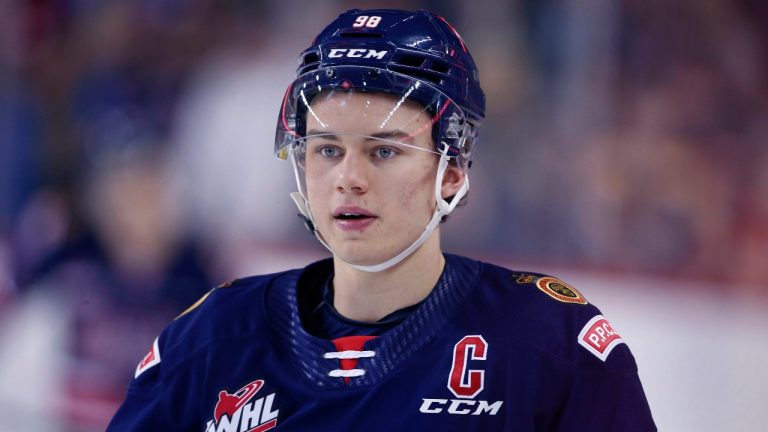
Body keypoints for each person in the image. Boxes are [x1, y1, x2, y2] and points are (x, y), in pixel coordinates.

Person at [109, 9, 656, 431]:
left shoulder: (549, 343)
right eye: (326, 150)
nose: (349, 178)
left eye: (384, 151)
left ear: (450, 170)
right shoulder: (211, 339)